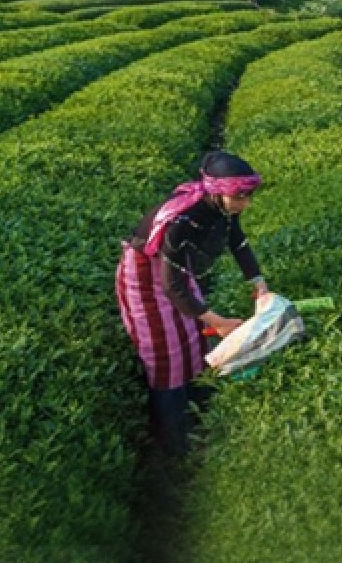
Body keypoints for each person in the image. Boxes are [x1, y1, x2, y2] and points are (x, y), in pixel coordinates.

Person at [114, 151, 269, 455]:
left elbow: (237, 242)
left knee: (193, 340)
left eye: (248, 195)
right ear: (220, 192)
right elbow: (171, 288)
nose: (245, 203)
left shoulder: (223, 209)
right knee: (165, 351)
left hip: (177, 272)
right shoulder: (181, 220)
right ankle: (174, 442)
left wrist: (259, 286)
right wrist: (219, 323)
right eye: (241, 196)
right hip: (147, 276)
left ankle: (197, 411)